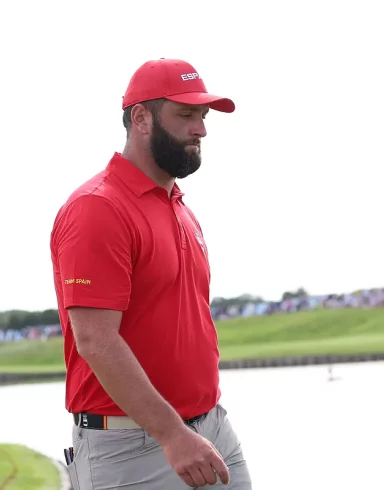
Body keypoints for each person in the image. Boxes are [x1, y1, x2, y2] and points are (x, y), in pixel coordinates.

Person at [50, 58, 252, 489]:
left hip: (210, 428)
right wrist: (172, 434)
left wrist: (196, 427)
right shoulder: (98, 208)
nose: (200, 129)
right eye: (186, 115)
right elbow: (95, 341)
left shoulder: (179, 207)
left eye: (202, 116)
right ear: (141, 118)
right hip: (134, 447)